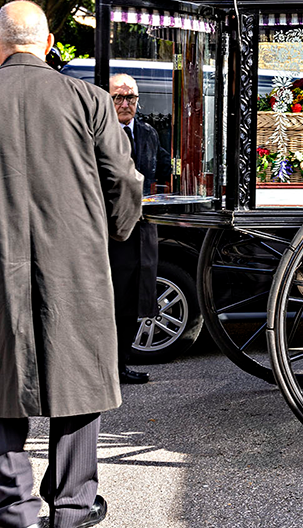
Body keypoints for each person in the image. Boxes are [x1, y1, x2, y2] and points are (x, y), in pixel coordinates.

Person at [0, 0, 143, 528]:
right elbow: (124, 179)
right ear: (49, 45)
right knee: (78, 378)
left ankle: (17, 504)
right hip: (75, 259)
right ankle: (72, 506)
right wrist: (111, 235)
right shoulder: (88, 99)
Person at [107, 74, 169, 384]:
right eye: (118, 97)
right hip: (112, 230)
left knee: (136, 299)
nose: (124, 103)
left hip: (144, 226)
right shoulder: (100, 134)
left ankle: (121, 365)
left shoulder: (148, 133)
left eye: (130, 97)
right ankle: (106, 368)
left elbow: (162, 169)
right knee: (113, 299)